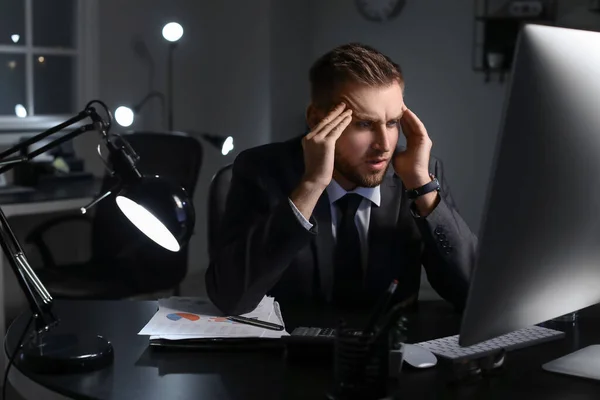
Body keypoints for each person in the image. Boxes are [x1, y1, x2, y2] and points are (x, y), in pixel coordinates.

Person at [206, 43, 477, 316]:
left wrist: (423, 189)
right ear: (316, 119)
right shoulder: (262, 170)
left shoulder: (416, 175)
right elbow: (230, 298)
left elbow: (473, 296)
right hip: (289, 354)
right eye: (364, 124)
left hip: (386, 354)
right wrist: (310, 187)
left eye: (393, 123)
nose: (384, 145)